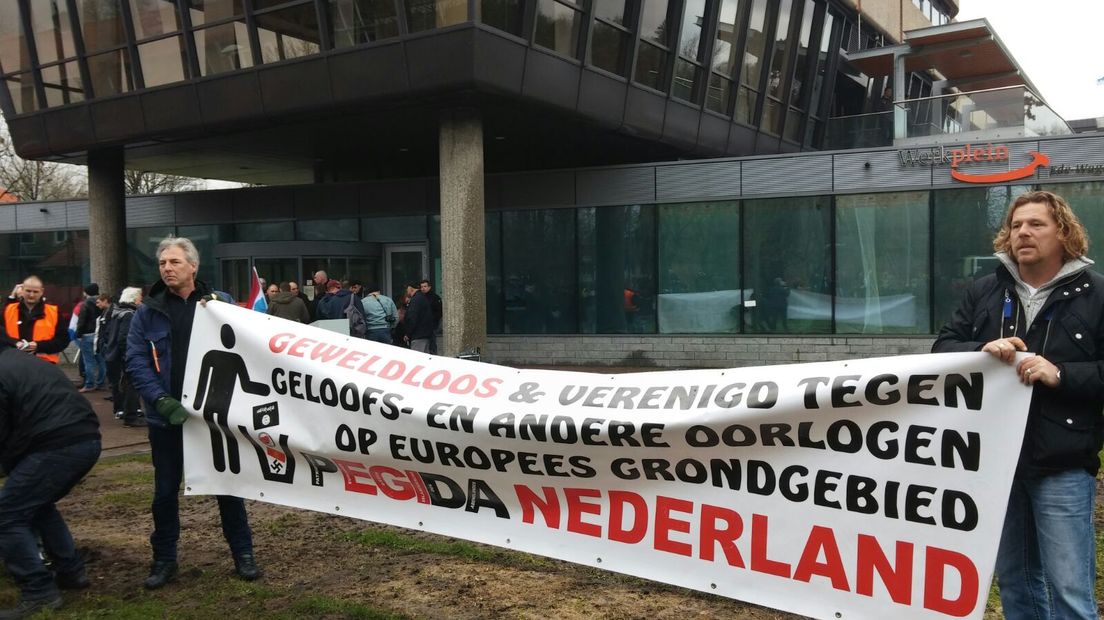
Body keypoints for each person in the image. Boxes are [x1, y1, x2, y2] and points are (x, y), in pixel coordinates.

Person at [932, 191, 1104, 620]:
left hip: (1062, 461)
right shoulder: (985, 291)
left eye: (1036, 224)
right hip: (995, 463)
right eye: (1015, 225)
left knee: (1069, 590)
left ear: (1064, 233)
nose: (1022, 233)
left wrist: (1060, 374)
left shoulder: (1097, 296)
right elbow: (942, 350)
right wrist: (980, 350)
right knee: (1015, 581)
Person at [126, 237, 261, 590]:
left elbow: (252, 344)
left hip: (211, 417)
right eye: (162, 263)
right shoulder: (148, 310)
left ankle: (243, 554)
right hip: (165, 417)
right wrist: (159, 400)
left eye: (174, 262)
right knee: (165, 491)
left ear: (193, 266)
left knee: (227, 487)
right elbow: (136, 360)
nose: (167, 269)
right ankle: (164, 560)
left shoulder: (219, 304)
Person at [0, 344, 101, 618]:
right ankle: (70, 571)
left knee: (7, 515)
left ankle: (38, 591)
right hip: (86, 438)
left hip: (57, 445)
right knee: (37, 504)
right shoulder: (26, 362)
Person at [2, 276, 68, 365]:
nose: (31, 295)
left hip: (44, 366)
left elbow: (63, 340)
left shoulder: (54, 313)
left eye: (35, 292)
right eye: (28, 291)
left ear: (42, 292)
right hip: (13, 364)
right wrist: (15, 343)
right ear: (22, 290)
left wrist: (38, 346)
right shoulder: (8, 310)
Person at [101, 287, 144, 426]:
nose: (141, 300)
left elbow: (107, 333)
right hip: (123, 356)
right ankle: (131, 414)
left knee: (119, 384)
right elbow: (124, 338)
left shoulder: (115, 312)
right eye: (140, 297)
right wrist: (128, 356)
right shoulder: (129, 314)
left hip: (113, 355)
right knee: (131, 384)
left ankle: (121, 410)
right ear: (134, 299)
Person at [74, 283, 107, 393]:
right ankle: (101, 383)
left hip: (87, 334)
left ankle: (89, 384)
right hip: (99, 333)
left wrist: (78, 333)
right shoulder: (102, 301)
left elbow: (82, 320)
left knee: (88, 361)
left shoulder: (86, 303)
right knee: (101, 359)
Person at [403, 282, 435, 353]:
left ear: (410, 288)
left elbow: (412, 318)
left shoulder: (416, 299)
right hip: (425, 334)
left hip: (418, 336)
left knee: (417, 359)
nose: (406, 292)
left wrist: (408, 333)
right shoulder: (422, 297)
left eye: (406, 290)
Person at [418, 279, 442, 354]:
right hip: (422, 325)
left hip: (432, 325)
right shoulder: (419, 297)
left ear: (429, 287)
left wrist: (432, 320)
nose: (423, 288)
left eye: (425, 286)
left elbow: (439, 312)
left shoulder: (434, 298)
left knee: (432, 343)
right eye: (421, 287)